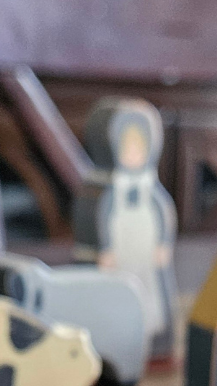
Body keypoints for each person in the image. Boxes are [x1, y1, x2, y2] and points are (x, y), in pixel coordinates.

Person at [73, 98, 178, 358]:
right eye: (128, 148)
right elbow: (98, 219)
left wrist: (163, 244)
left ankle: (153, 337)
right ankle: (116, 340)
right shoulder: (103, 191)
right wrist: (105, 248)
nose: (134, 155)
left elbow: (163, 213)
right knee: (115, 296)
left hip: (144, 250)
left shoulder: (150, 187)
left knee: (148, 291)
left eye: (139, 148)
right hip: (119, 253)